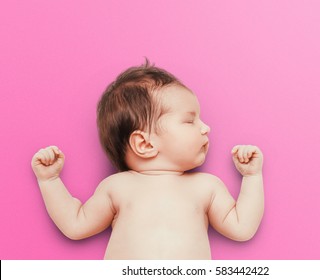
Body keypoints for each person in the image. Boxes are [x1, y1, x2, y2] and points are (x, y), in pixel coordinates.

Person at [31, 60, 264, 259]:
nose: (206, 128)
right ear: (145, 144)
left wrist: (252, 177)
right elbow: (75, 225)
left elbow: (242, 228)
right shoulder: (117, 187)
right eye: (190, 121)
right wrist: (50, 181)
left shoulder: (207, 186)